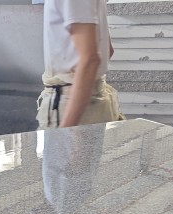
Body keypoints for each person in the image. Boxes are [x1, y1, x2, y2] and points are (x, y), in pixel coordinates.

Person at [37, 0, 124, 129]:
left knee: (64, 142)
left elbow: (90, 60)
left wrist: (66, 130)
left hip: (71, 102)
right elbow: (107, 50)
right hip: (86, 100)